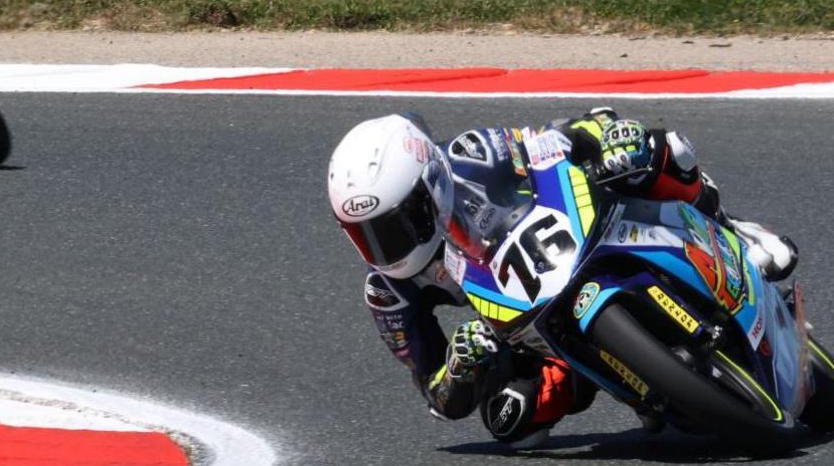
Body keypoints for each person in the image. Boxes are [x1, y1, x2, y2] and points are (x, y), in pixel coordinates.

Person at [326, 109, 797, 448]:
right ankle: (633, 382)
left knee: (654, 151)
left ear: (430, 186)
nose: (385, 247)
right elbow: (438, 395)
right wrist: (462, 365)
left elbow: (553, 139)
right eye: (366, 235)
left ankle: (734, 229)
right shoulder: (387, 291)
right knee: (510, 421)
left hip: (565, 243)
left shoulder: (472, 155)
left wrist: (606, 136)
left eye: (396, 224)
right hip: (519, 325)